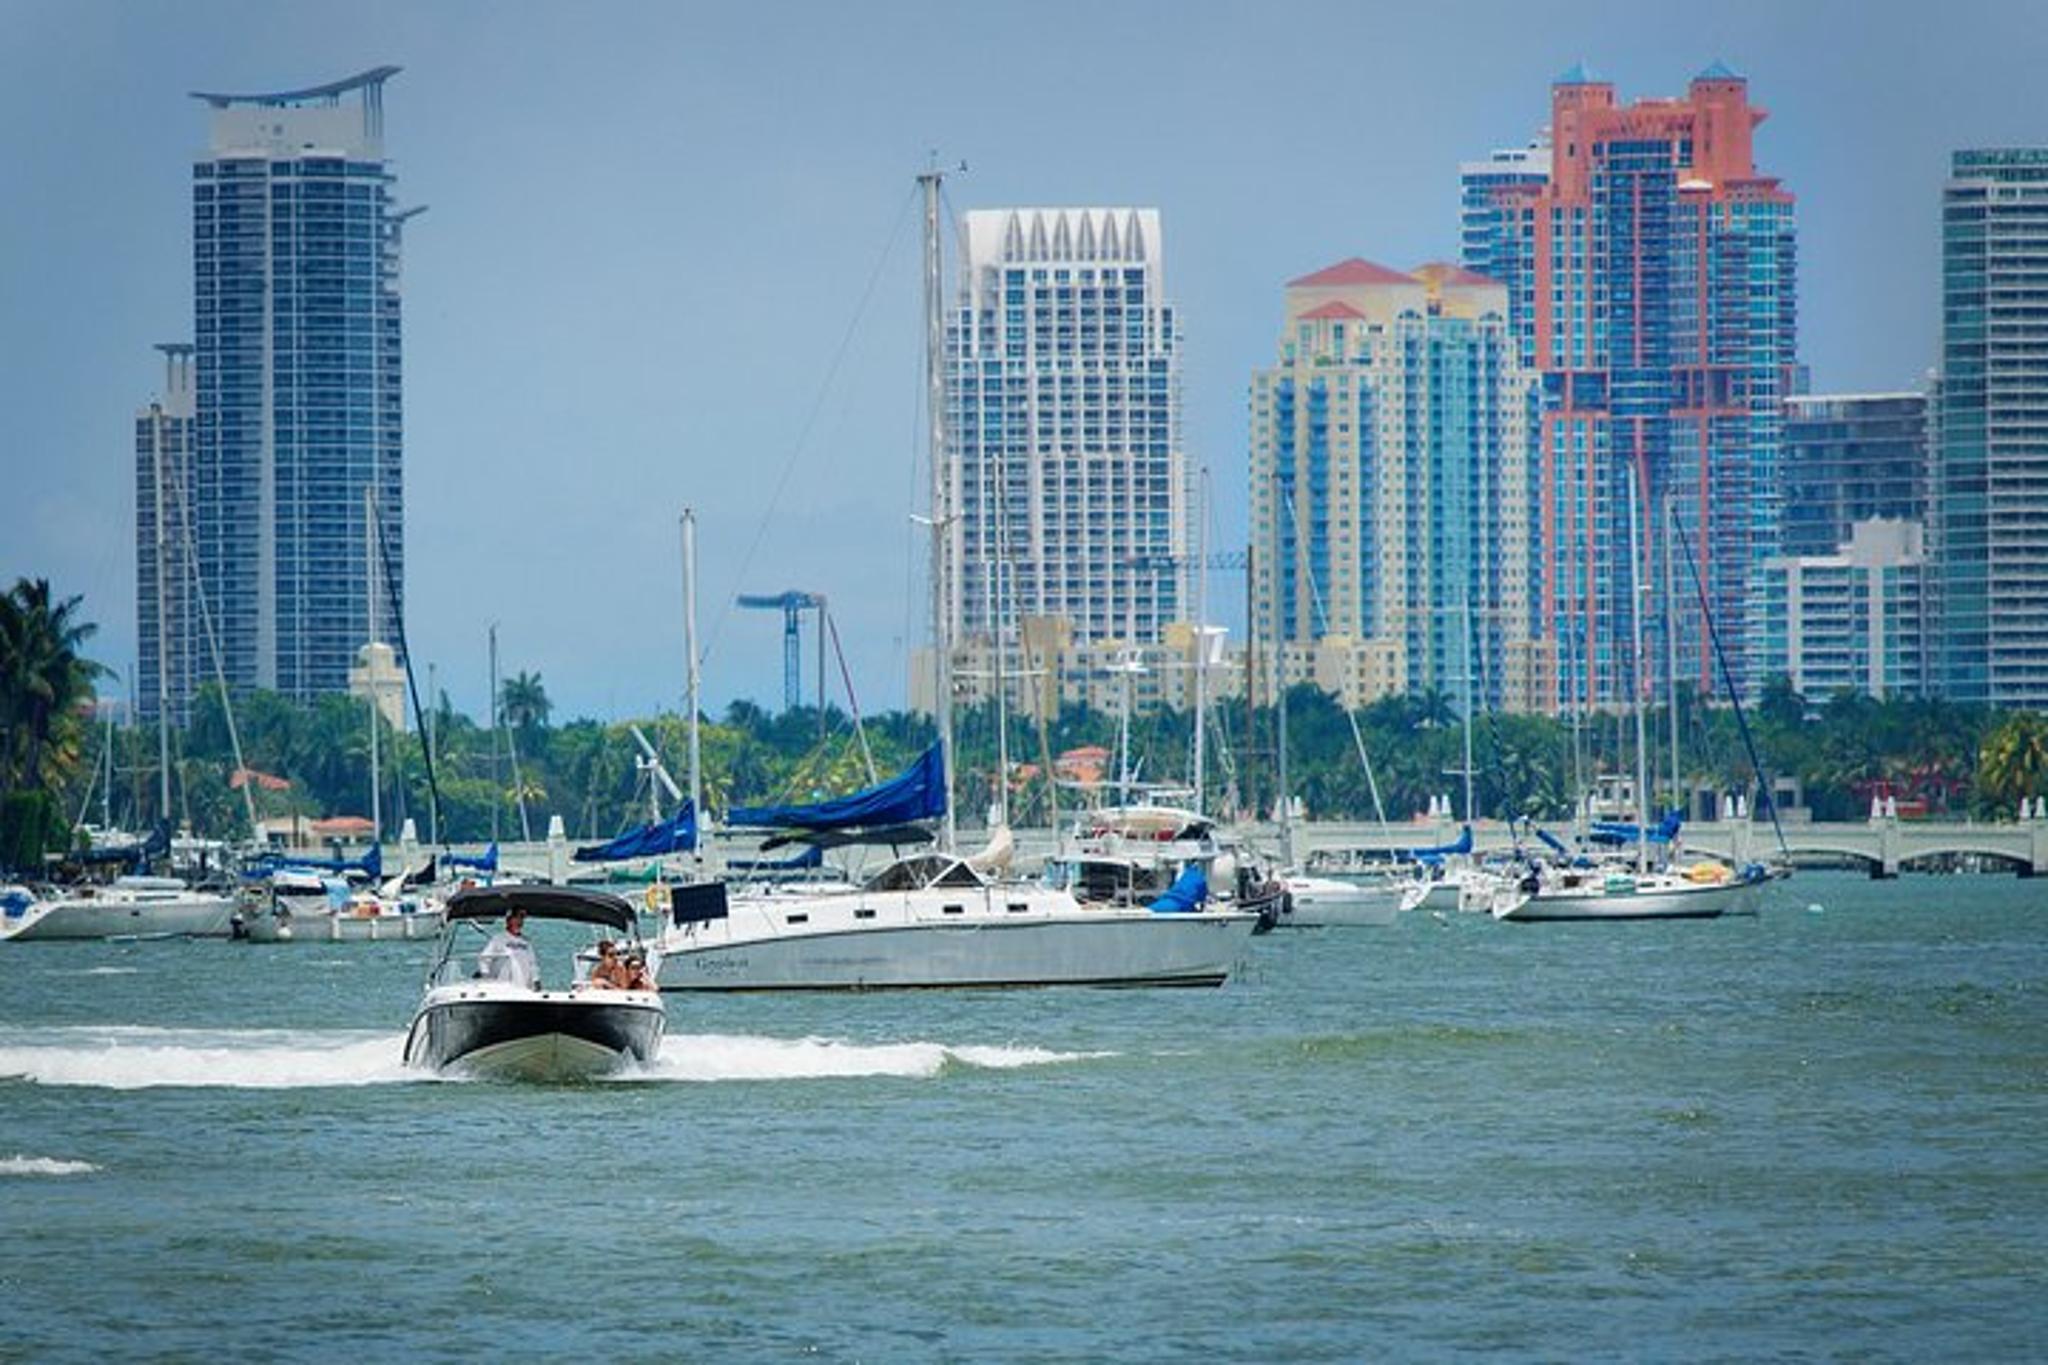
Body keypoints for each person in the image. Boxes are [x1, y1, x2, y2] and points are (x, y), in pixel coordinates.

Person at [476, 907, 540, 989]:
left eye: (521, 918)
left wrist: (536, 980)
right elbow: (484, 959)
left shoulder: (526, 942)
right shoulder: (498, 939)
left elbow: (533, 964)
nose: (519, 921)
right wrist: (486, 979)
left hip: (524, 990)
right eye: (516, 918)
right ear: (508, 920)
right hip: (504, 990)